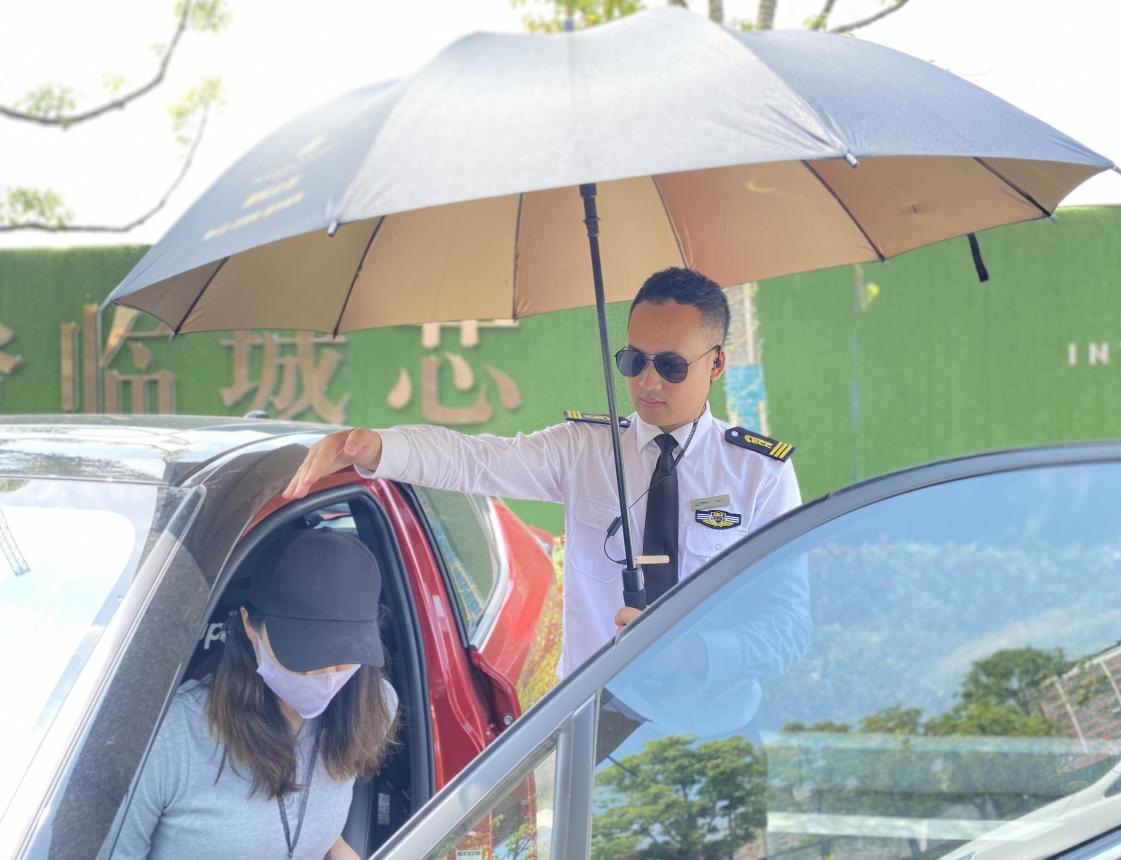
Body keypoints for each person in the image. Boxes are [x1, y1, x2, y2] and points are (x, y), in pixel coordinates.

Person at [284, 267, 804, 678]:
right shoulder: (584, 449)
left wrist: (692, 653)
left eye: (670, 365)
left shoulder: (759, 474)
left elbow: (789, 630)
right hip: (598, 723)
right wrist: (375, 445)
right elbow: (477, 460)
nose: (647, 381)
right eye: (633, 361)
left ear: (716, 364)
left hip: (717, 723)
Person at [113, 529, 398, 860]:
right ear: (250, 625)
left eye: (345, 653)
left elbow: (317, 827)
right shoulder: (171, 739)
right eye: (305, 656)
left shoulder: (372, 706)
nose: (326, 674)